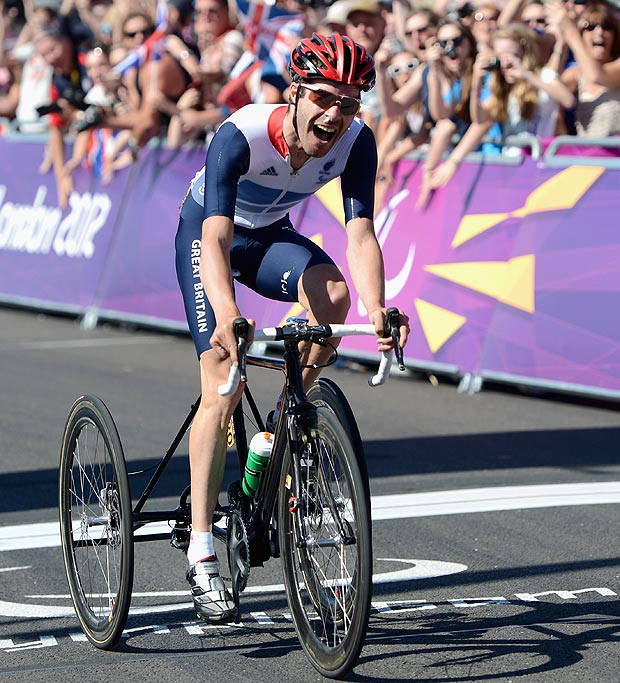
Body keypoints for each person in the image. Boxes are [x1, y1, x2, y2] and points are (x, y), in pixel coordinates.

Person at [175, 31, 409, 623]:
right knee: (221, 383)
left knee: (333, 297)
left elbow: (359, 234)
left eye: (351, 103)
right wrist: (227, 314)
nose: (336, 114)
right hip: (210, 235)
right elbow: (216, 239)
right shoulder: (242, 133)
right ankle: (202, 551)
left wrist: (378, 306)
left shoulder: (356, 142)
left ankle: (279, 429)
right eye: (325, 98)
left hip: (269, 235)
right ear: (296, 91)